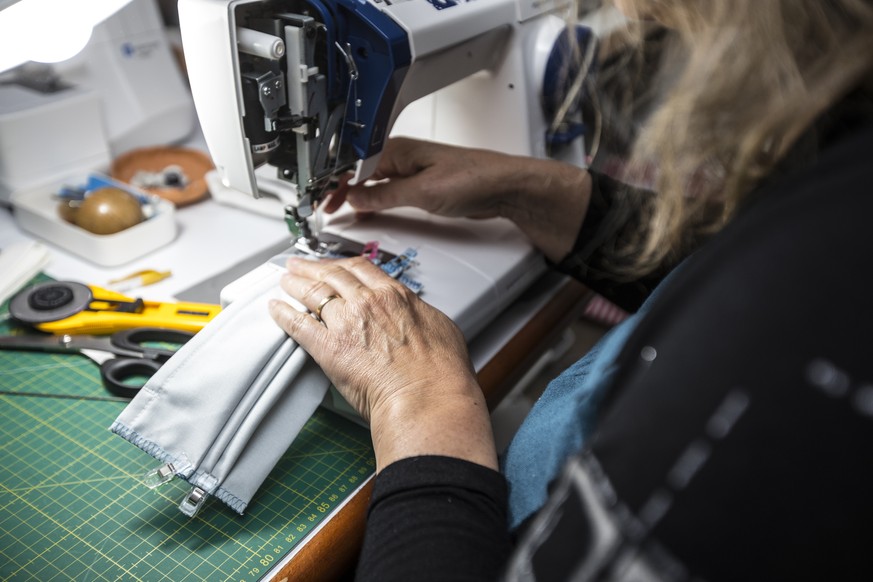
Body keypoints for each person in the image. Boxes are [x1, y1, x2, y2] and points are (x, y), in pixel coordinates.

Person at [268, 0, 873, 579]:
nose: (631, 11)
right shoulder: (837, 181)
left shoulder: (798, 362)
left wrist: (425, 404)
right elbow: (721, 265)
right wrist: (533, 193)